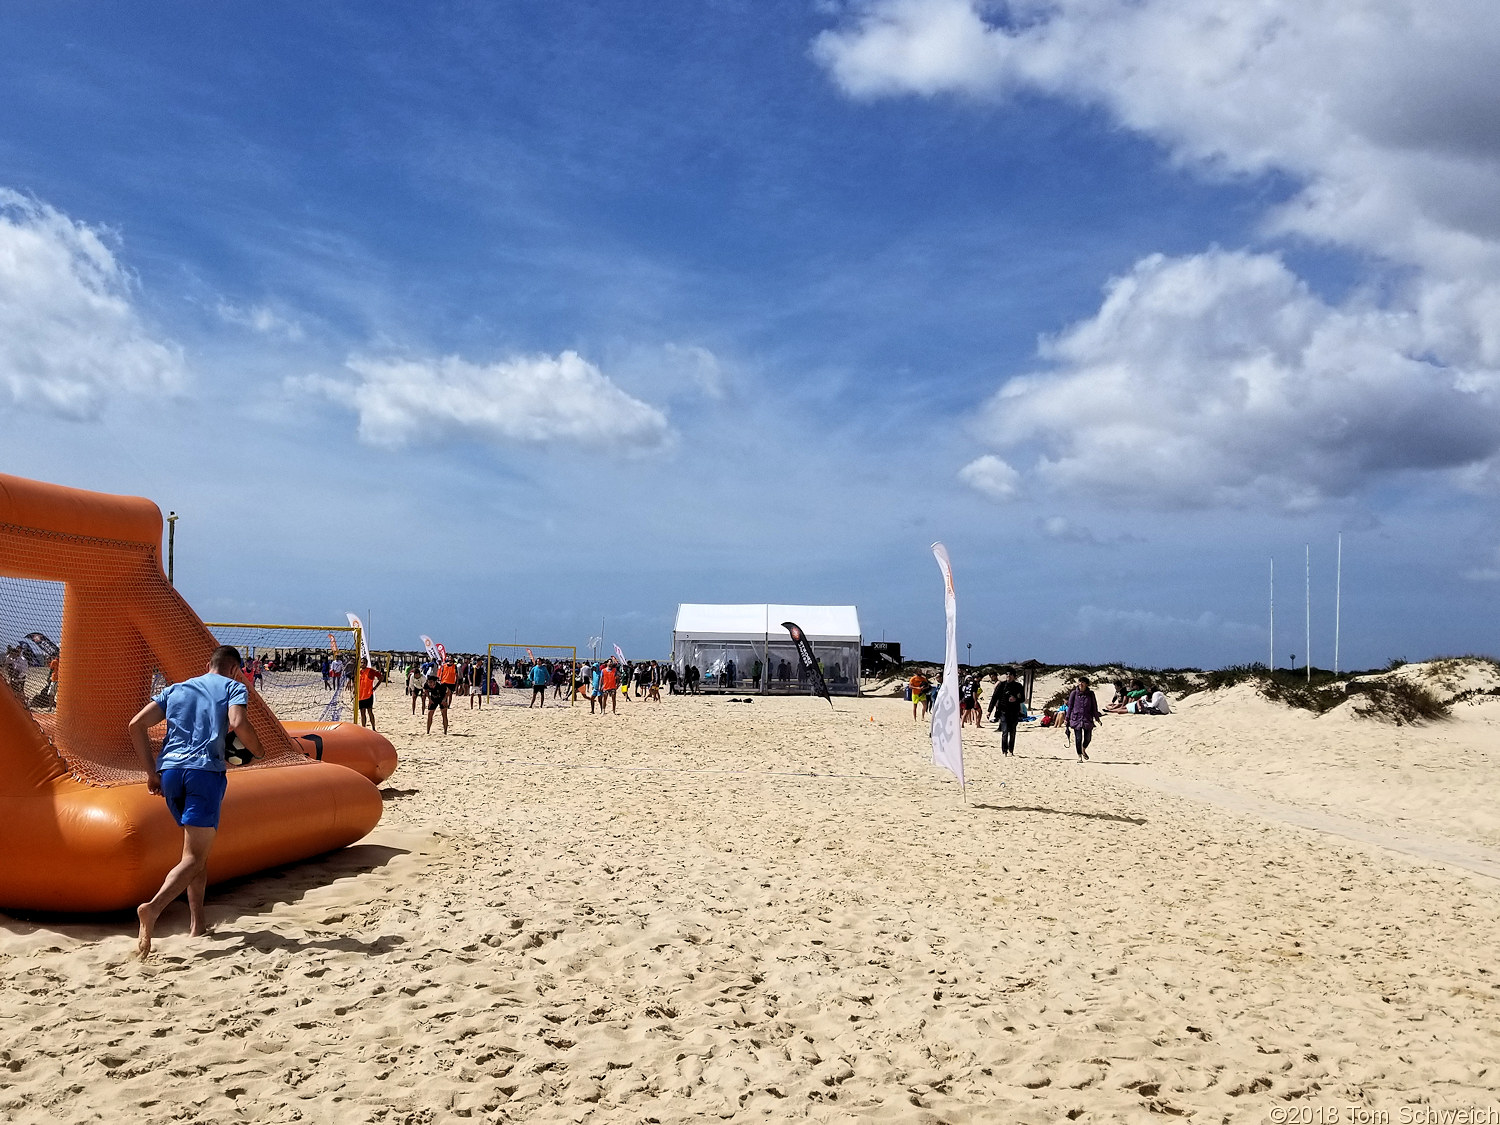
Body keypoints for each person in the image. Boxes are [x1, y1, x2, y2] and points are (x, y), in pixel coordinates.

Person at [127, 645, 265, 958]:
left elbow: (136, 725)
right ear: (234, 669)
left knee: (194, 853)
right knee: (193, 857)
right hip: (203, 773)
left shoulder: (176, 689)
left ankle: (197, 925)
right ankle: (152, 909)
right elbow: (238, 723)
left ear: (208, 664)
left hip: (171, 773)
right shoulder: (233, 686)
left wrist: (151, 772)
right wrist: (258, 751)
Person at [989, 668, 1026, 757]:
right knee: (1005, 731)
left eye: (1010, 675)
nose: (1008, 677)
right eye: (1007, 675)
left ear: (1014, 676)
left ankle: (1011, 750)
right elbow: (994, 697)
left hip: (1014, 712)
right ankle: (1004, 750)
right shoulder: (1001, 685)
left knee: (1012, 732)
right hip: (1003, 711)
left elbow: (1023, 699)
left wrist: (1016, 699)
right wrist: (989, 711)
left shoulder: (1018, 686)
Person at [1065, 676, 1102, 761]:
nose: (1081, 684)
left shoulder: (1091, 694)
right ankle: (1079, 756)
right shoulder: (1074, 693)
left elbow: (1094, 706)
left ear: (1086, 684)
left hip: (1087, 719)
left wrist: (1097, 718)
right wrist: (1067, 719)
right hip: (1076, 718)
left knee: (1088, 738)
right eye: (1080, 682)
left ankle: (1083, 749)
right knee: (1078, 738)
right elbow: (1070, 707)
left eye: (1083, 682)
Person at [356, 657, 384, 730]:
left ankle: (373, 728)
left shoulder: (371, 671)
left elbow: (381, 677)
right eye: (362, 662)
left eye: (364, 663)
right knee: (362, 713)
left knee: (370, 711)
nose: (363, 664)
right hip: (360, 695)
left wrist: (375, 687)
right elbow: (355, 681)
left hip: (368, 695)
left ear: (366, 663)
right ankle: (363, 729)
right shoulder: (359, 672)